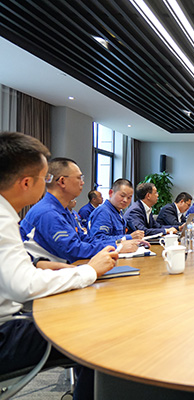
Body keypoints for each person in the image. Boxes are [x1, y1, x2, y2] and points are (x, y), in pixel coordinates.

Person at [0, 131, 117, 399]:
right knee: (99, 331)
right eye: (45, 179)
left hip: (12, 316)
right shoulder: (10, 217)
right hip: (5, 332)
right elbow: (24, 286)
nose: (47, 185)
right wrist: (88, 271)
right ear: (26, 182)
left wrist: (42, 264)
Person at [20, 158, 140, 263]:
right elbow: (73, 250)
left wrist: (119, 243)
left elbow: (84, 239)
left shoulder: (64, 210)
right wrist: (117, 247)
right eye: (79, 178)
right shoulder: (47, 212)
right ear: (62, 181)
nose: (82, 182)